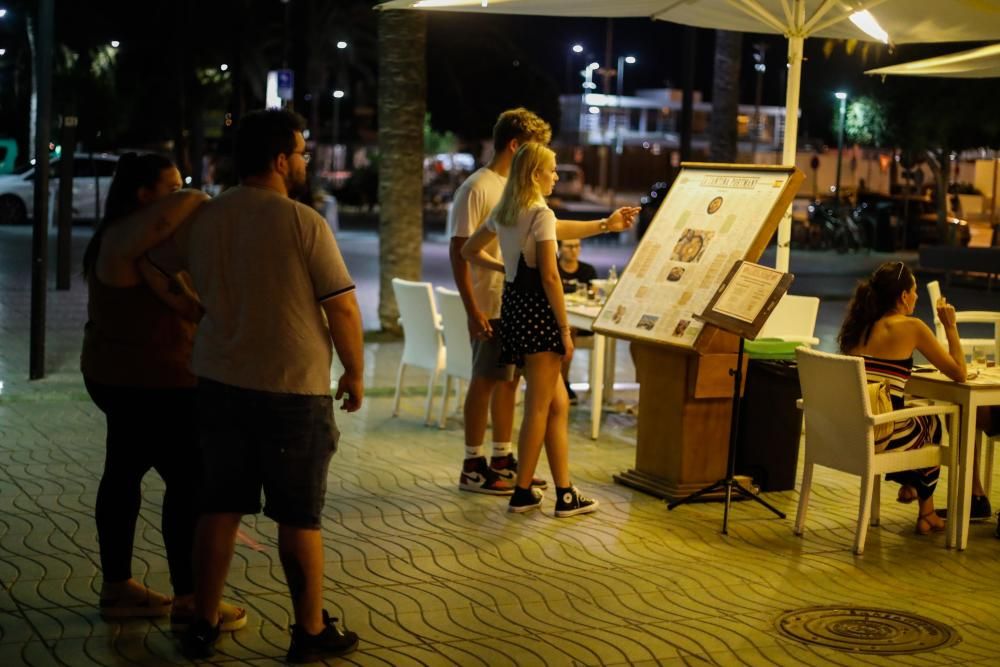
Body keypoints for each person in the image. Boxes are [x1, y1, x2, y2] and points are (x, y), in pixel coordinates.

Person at [150, 109, 365, 662]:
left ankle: (202, 621)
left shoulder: (206, 219)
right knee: (298, 516)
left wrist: (192, 307)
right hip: (293, 389)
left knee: (219, 506)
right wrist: (356, 373)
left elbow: (156, 264)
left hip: (220, 383)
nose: (304, 161)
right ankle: (309, 630)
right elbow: (341, 306)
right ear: (278, 161)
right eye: (300, 153)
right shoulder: (302, 222)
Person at [81, 154, 247, 631]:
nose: (184, 196)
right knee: (187, 484)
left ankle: (118, 587)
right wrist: (196, 196)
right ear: (145, 196)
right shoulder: (125, 238)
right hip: (152, 384)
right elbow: (194, 206)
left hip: (124, 379)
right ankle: (191, 599)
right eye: (171, 188)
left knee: (124, 474)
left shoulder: (134, 242)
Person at [462, 142, 637, 517]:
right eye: (553, 170)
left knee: (556, 404)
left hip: (514, 310)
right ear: (535, 175)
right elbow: (550, 275)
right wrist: (565, 328)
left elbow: (471, 251)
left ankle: (565, 491)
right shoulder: (538, 212)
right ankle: (522, 491)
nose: (557, 176)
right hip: (540, 314)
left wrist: (607, 224)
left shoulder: (508, 211)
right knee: (539, 407)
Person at [448, 108, 552, 495]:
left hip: (513, 305)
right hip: (488, 304)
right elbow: (460, 251)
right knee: (485, 381)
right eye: (535, 149)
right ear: (515, 145)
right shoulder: (477, 187)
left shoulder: (520, 190)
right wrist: (472, 309)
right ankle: (473, 465)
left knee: (508, 383)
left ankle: (502, 459)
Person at [837, 261, 966, 535]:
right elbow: (959, 373)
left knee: (918, 413)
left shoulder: (858, 325)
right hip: (883, 435)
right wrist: (950, 326)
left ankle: (915, 492)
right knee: (932, 424)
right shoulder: (912, 327)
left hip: (848, 431)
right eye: (915, 291)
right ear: (904, 296)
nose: (917, 297)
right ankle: (925, 509)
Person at [556, 239, 597, 404]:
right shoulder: (553, 269)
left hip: (581, 320)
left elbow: (593, 294)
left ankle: (563, 382)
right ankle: (561, 383)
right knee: (567, 328)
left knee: (570, 328)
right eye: (569, 246)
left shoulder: (587, 270)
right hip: (558, 320)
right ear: (559, 248)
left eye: (577, 246)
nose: (574, 250)